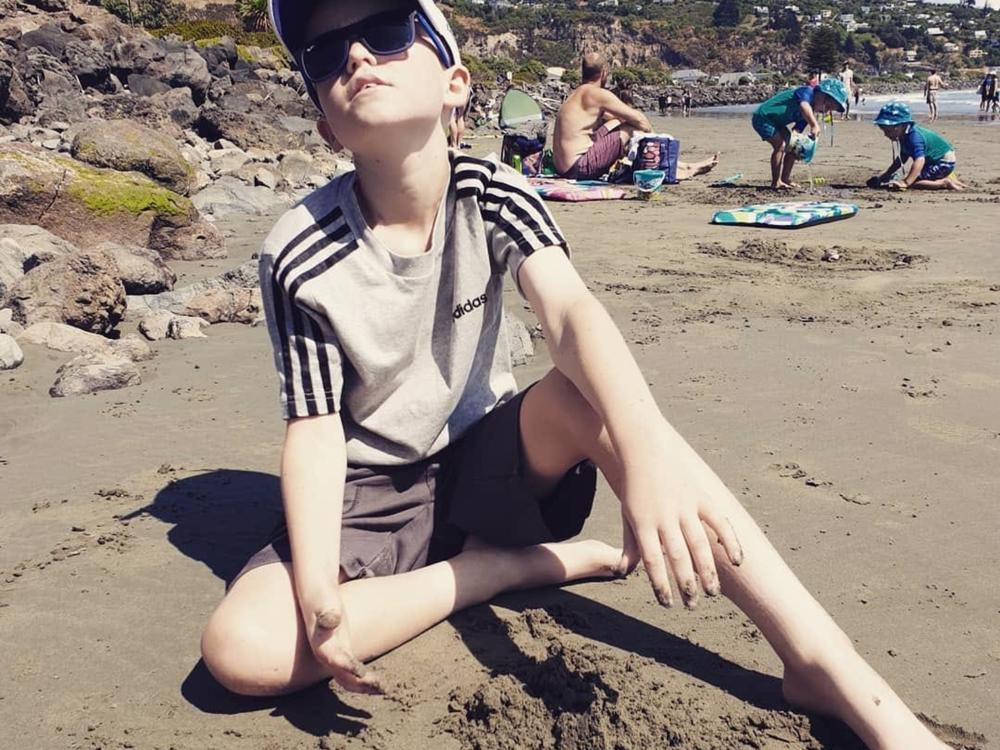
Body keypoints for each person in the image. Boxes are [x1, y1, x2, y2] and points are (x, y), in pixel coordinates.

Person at [200, 3, 952, 748]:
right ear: (326, 125)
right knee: (242, 651)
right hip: (369, 491)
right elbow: (315, 429)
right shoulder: (299, 250)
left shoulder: (493, 191)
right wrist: (319, 595)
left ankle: (823, 664)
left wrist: (646, 458)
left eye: (388, 31)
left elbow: (570, 315)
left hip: (491, 467)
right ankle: (496, 572)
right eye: (326, 54)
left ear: (455, 82)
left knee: (586, 397)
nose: (358, 57)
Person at [553, 52, 717, 181]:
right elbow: (640, 120)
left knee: (619, 123)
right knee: (631, 128)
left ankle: (676, 165)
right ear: (604, 73)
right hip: (579, 168)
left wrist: (618, 121)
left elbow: (611, 120)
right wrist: (647, 133)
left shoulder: (576, 94)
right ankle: (674, 167)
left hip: (564, 168)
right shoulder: (597, 94)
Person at [751, 78, 847, 190]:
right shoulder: (807, 92)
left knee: (793, 146)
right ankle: (776, 182)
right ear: (821, 94)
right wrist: (814, 125)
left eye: (829, 110)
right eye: (828, 106)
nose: (825, 111)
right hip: (763, 117)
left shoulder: (808, 114)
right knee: (780, 145)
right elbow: (804, 106)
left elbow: (796, 132)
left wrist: (801, 144)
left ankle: (785, 178)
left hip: (777, 123)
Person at [868, 101, 966, 191]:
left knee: (915, 182)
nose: (886, 134)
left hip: (943, 162)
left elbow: (920, 160)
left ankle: (944, 183)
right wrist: (887, 174)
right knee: (916, 176)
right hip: (934, 161)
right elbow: (902, 158)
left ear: (902, 125)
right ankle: (946, 177)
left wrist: (906, 182)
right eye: (884, 130)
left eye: (889, 131)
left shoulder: (914, 137)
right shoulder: (904, 135)